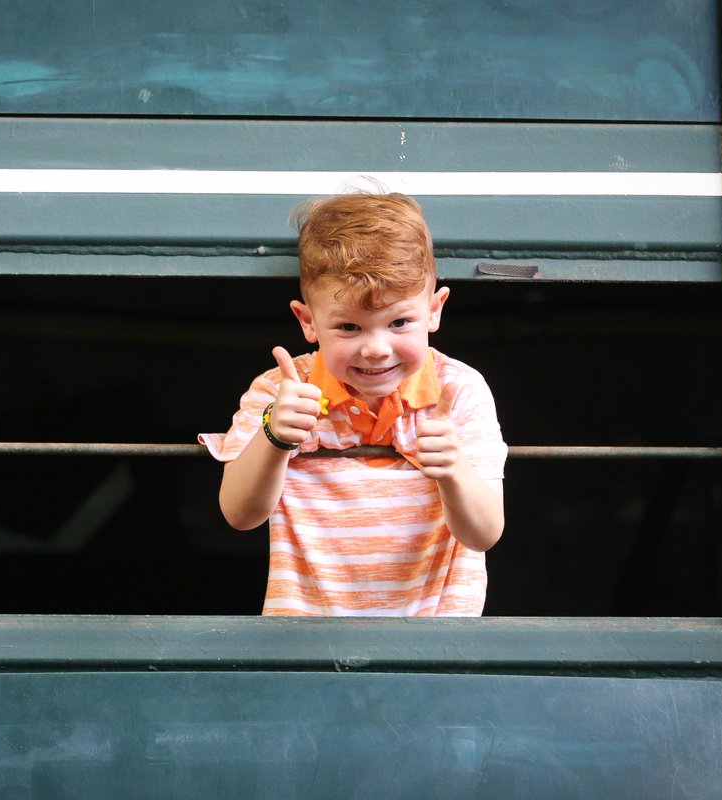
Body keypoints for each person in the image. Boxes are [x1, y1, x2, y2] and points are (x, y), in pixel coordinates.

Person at [199, 191, 506, 616]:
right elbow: (239, 514)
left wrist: (453, 470)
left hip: (435, 637)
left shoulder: (459, 390)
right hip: (308, 639)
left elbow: (484, 533)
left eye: (399, 322)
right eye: (348, 327)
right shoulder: (281, 391)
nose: (376, 349)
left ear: (434, 311)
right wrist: (274, 436)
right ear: (308, 321)